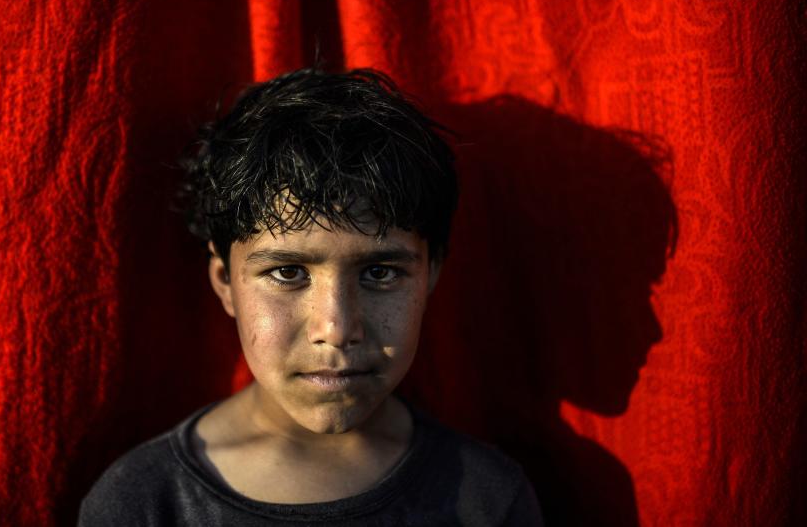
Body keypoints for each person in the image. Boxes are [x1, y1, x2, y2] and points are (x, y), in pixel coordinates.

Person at [77, 68, 544, 526]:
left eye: (380, 272)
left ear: (431, 274)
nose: (336, 329)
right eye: (288, 272)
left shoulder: (488, 498)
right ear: (225, 281)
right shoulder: (143, 503)